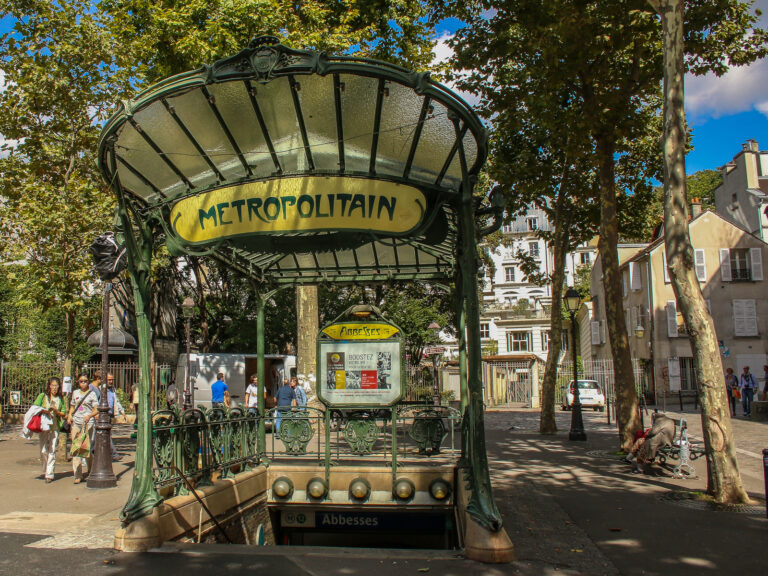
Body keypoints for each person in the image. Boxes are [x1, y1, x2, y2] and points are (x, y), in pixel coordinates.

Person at [67, 374, 99, 484]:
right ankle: (77, 474)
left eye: (85, 381)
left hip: (87, 423)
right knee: (76, 447)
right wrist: (70, 415)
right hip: (76, 422)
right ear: (78, 382)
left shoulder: (92, 394)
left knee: (86, 448)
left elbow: (96, 409)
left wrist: (89, 416)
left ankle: (91, 469)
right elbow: (72, 406)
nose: (83, 383)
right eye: (81, 381)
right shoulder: (75, 393)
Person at [34, 377, 66, 483]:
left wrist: (56, 412)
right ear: (49, 386)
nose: (54, 388)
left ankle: (49, 473)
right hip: (44, 426)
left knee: (52, 449)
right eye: (52, 385)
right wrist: (45, 411)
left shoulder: (60, 399)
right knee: (43, 450)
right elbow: (34, 407)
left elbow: (64, 413)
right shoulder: (43, 396)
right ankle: (46, 467)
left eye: (56, 385)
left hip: (55, 427)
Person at [106, 374, 124, 461]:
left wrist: (122, 411)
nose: (111, 381)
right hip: (101, 415)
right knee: (105, 435)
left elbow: (116, 400)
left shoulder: (112, 389)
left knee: (105, 435)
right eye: (109, 380)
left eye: (112, 379)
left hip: (109, 414)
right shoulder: (100, 388)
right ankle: (114, 454)